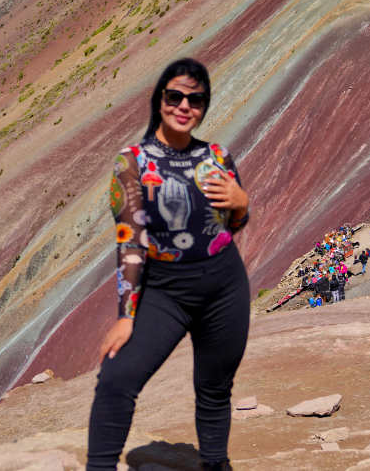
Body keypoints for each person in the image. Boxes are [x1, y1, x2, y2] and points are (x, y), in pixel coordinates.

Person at [88, 59, 250, 471]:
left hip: (224, 285)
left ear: (204, 106)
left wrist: (242, 203)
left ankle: (215, 465)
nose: (184, 106)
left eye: (195, 99)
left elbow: (232, 224)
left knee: (214, 389)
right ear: (159, 98)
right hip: (164, 290)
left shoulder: (217, 156)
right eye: (174, 96)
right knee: (116, 379)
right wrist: (127, 315)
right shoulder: (132, 162)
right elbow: (131, 240)